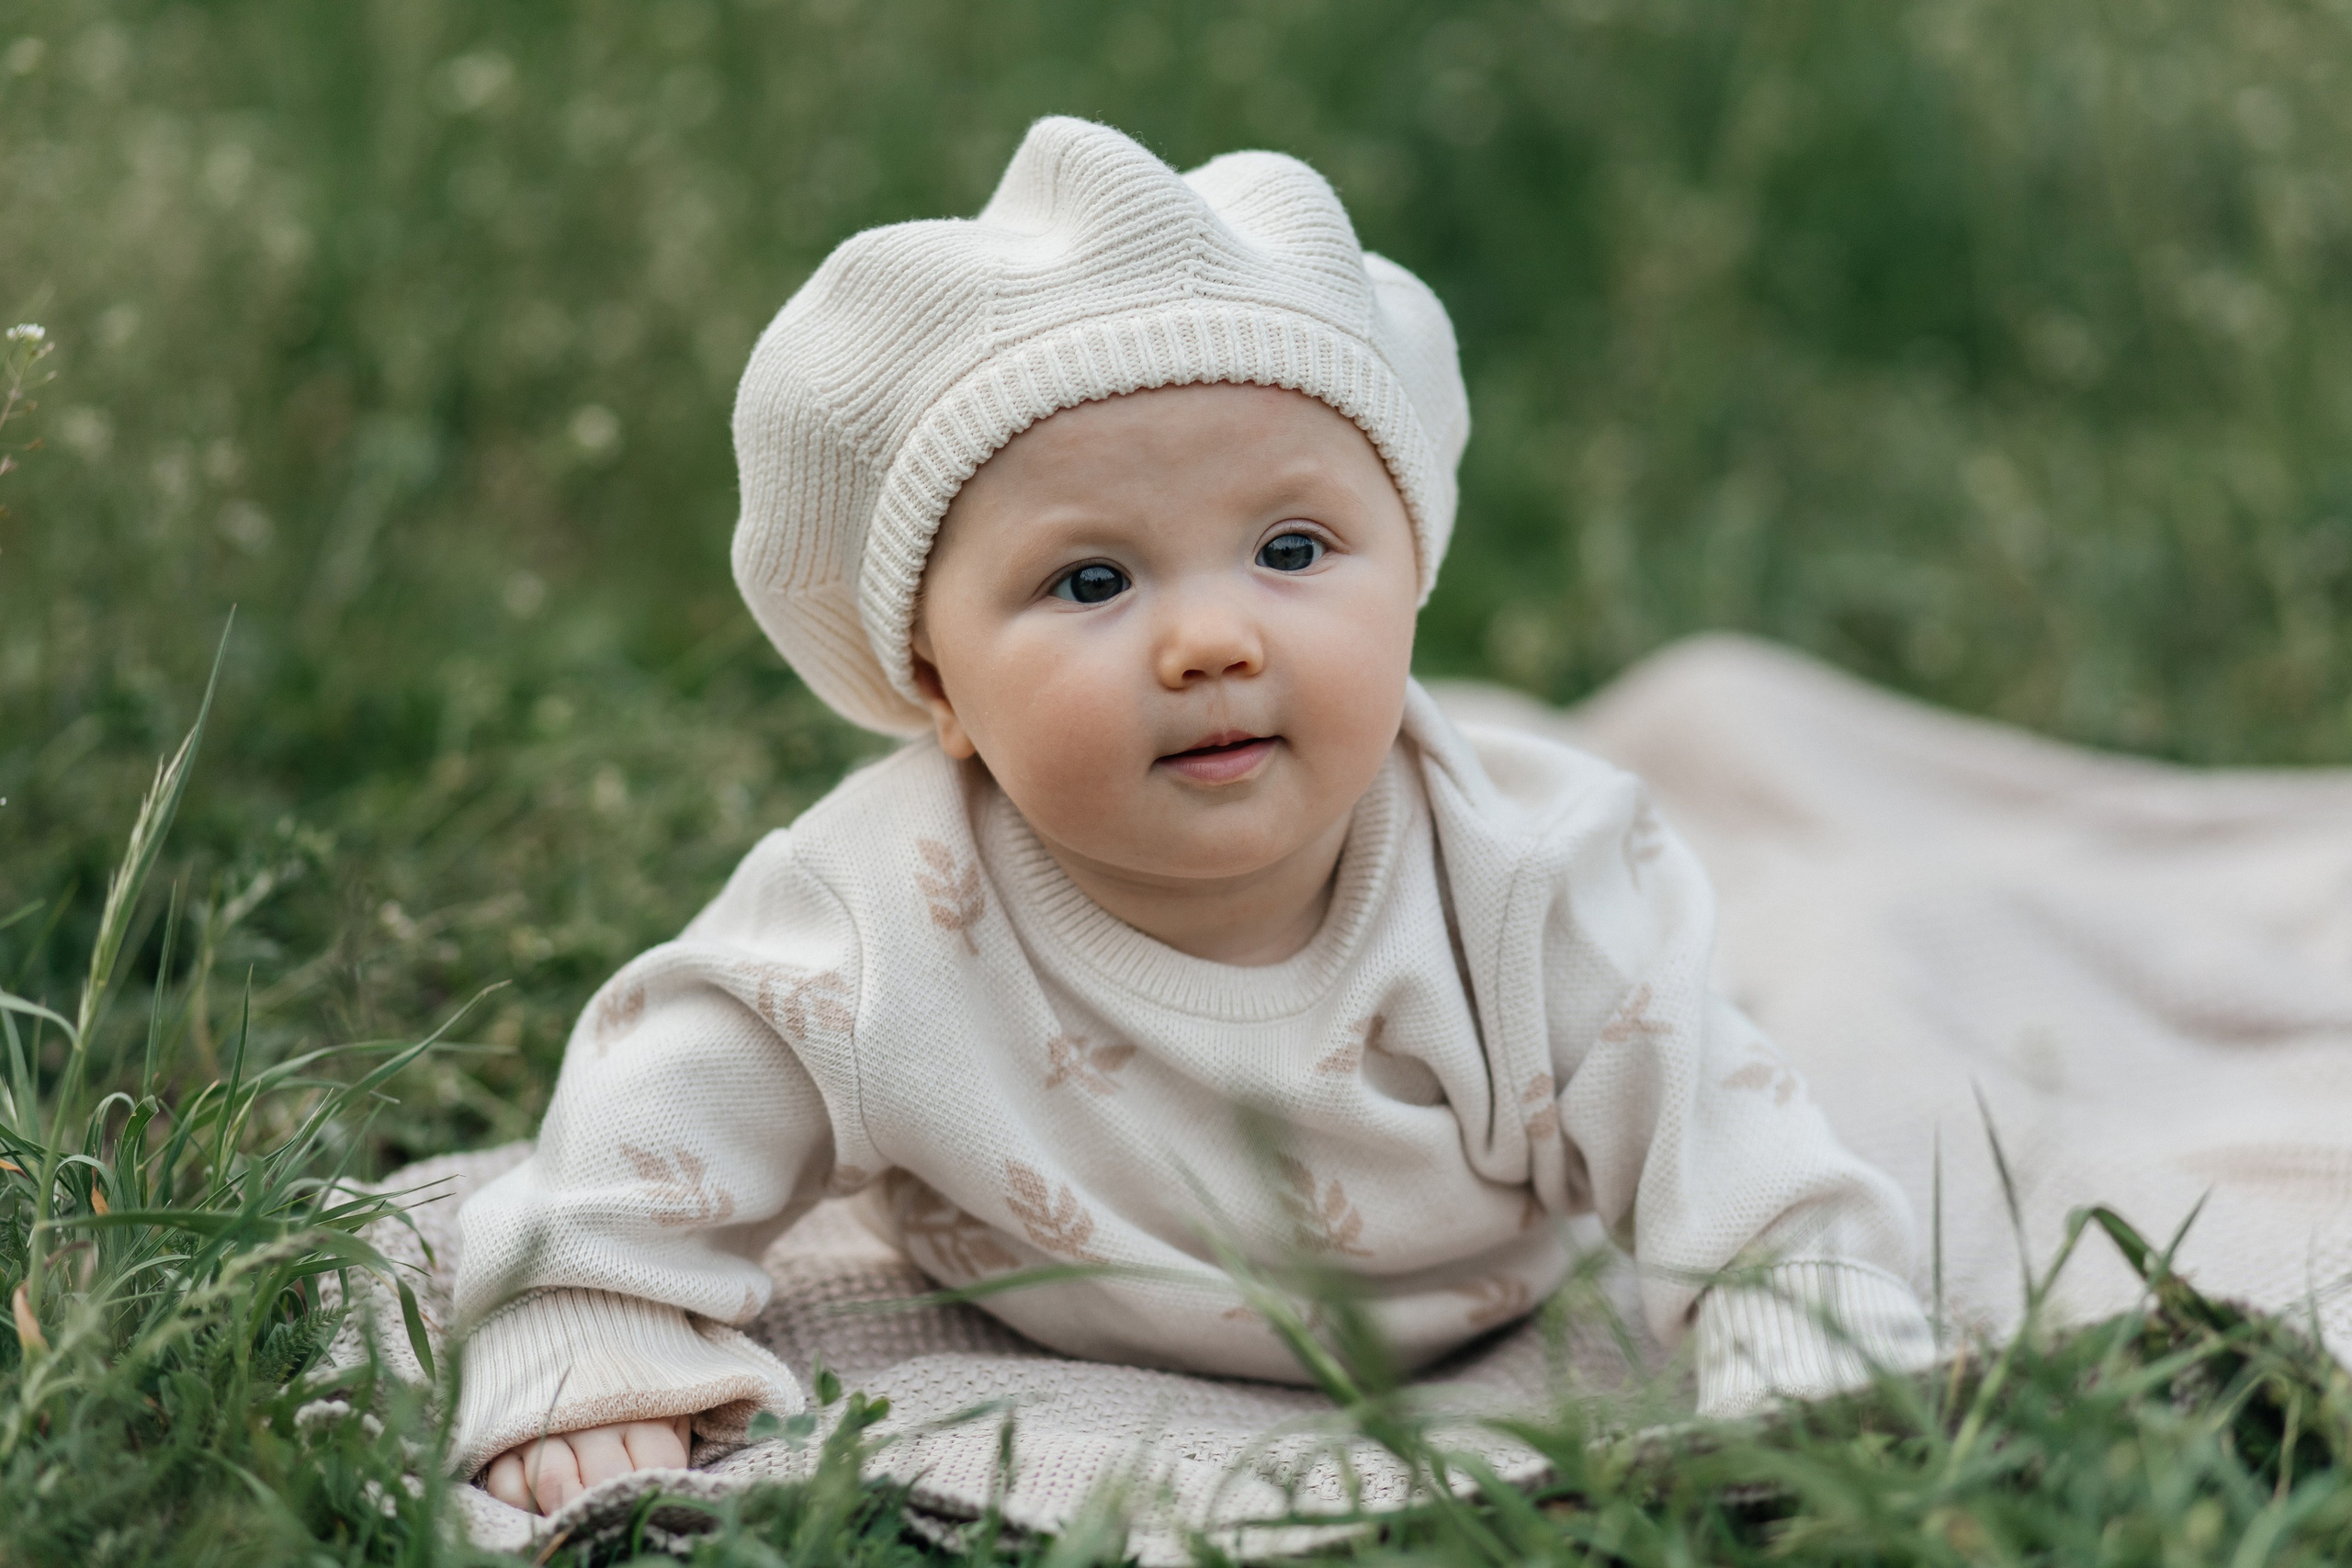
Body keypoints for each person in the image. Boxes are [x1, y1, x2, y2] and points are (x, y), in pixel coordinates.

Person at [454, 117, 1935, 1515]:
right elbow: (677, 1087)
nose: (1212, 641)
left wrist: (1808, 1348)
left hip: (1478, 1303)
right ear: (935, 683)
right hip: (1026, 1306)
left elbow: (1729, 1152)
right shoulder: (884, 903)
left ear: (1411, 573)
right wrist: (592, 1315)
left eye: (1293, 549)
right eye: (1092, 582)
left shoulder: (1532, 878)